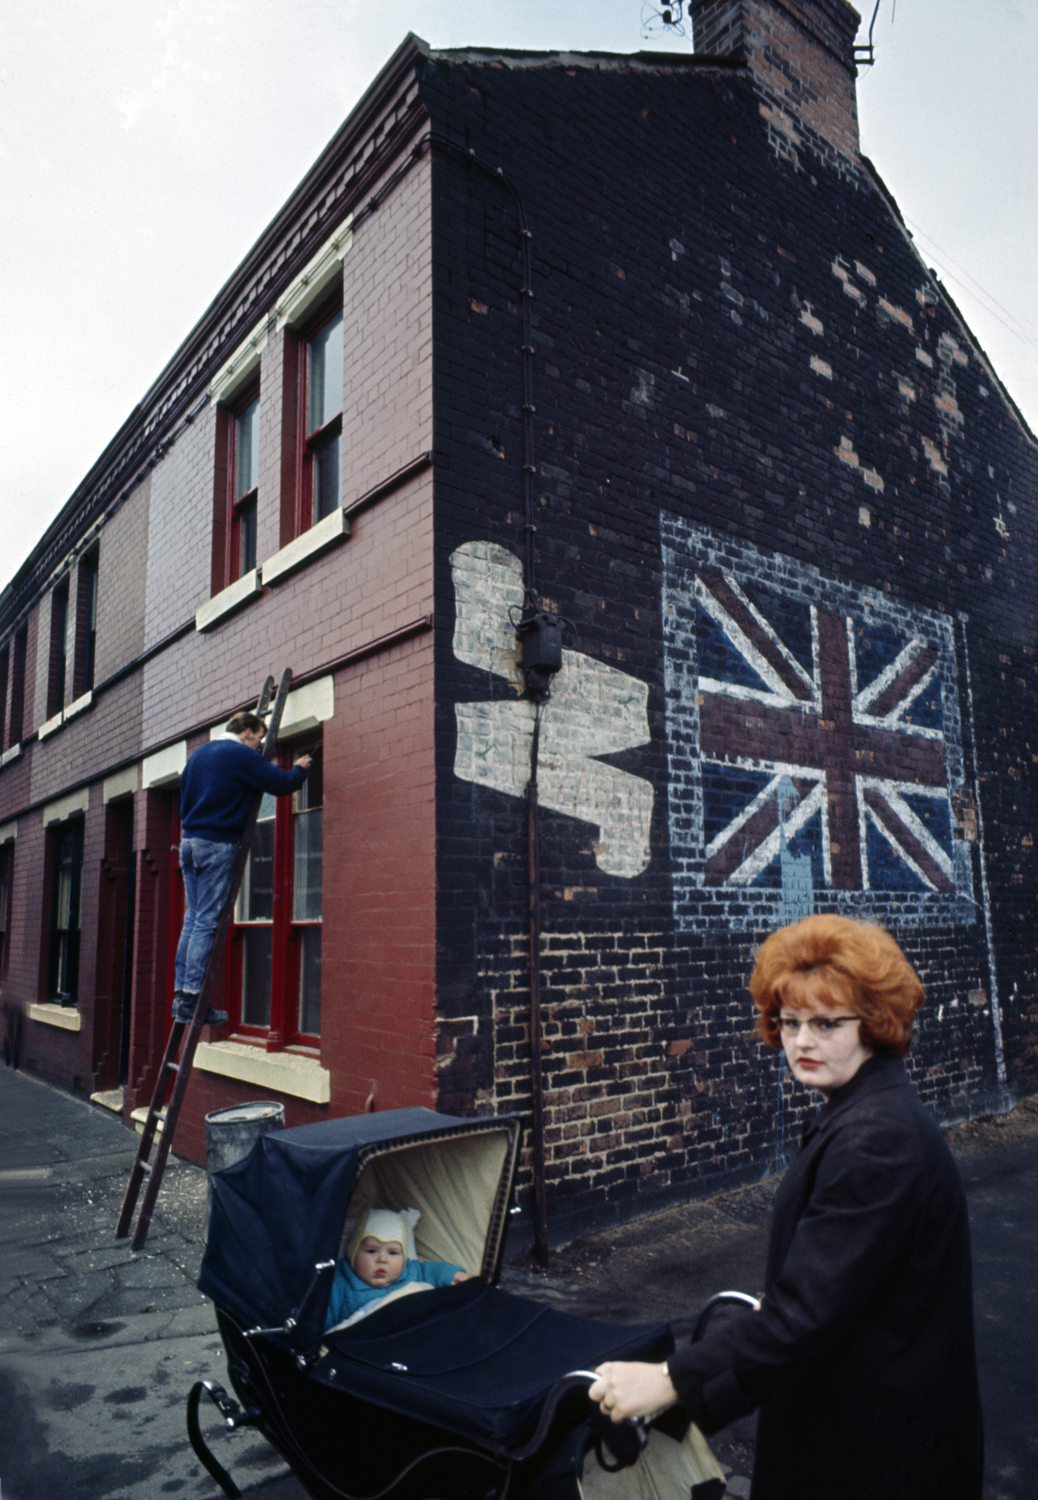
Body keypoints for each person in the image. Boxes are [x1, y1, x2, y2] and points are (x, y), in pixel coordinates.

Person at [589, 914, 984, 1500]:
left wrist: (669, 1381)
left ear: (874, 1023)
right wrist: (698, 1398)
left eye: (826, 1023)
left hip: (874, 1457)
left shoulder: (877, 1140)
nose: (801, 1041)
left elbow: (800, 1320)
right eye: (790, 1021)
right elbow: (822, 1302)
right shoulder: (860, 1111)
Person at [172, 710, 312, 1025]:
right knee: (207, 921)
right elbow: (280, 783)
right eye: (259, 738)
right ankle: (194, 999)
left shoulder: (199, 754)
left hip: (190, 843)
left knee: (192, 920)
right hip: (216, 845)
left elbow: (187, 789)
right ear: (247, 731)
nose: (260, 745)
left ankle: (182, 996)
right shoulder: (238, 753)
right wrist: (300, 769)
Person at [324, 1208, 472, 1331]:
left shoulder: (410, 1272)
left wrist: (453, 1275)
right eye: (371, 1251)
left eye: (393, 1253)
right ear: (353, 1253)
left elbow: (431, 1271)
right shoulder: (339, 1285)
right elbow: (322, 1320)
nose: (382, 1259)